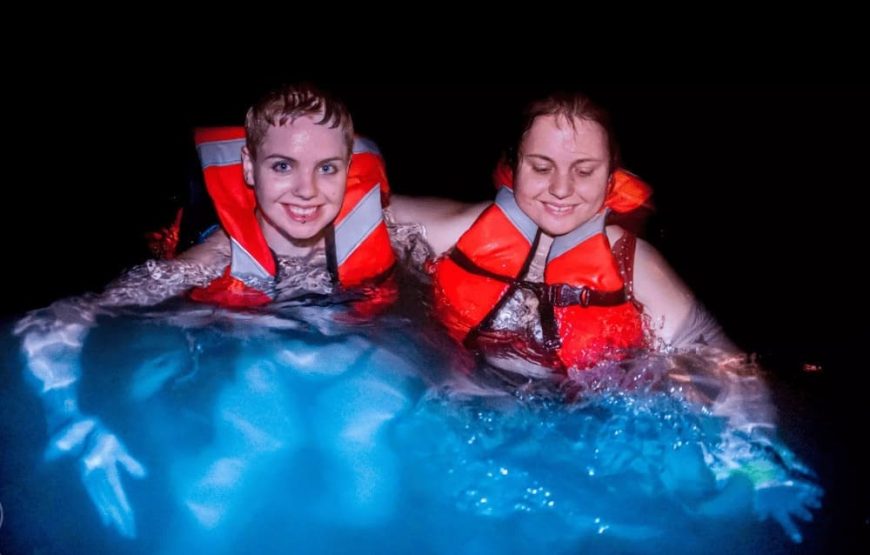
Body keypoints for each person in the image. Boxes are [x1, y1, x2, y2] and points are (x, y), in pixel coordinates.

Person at [12, 83, 433, 538]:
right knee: (229, 476)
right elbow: (84, 314)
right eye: (282, 166)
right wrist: (76, 409)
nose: (306, 191)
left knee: (370, 501)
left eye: (326, 168)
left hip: (356, 359)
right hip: (254, 366)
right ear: (249, 168)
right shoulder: (219, 256)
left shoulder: (389, 230)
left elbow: (489, 228)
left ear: (347, 169)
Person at [391, 91, 735, 377]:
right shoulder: (461, 233)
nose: (560, 188)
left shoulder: (635, 269)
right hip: (466, 398)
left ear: (611, 178)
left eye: (584, 171)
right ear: (515, 167)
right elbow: (355, 210)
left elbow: (731, 377)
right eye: (541, 167)